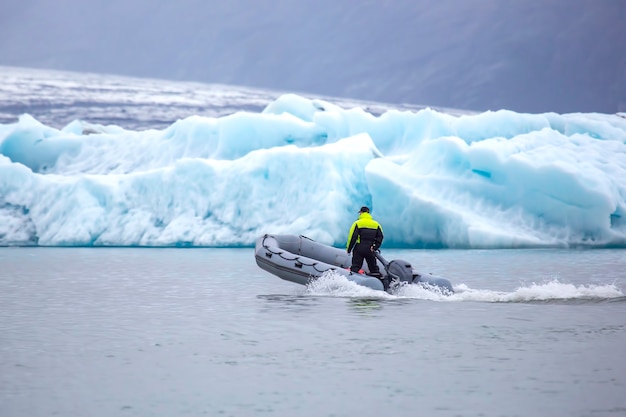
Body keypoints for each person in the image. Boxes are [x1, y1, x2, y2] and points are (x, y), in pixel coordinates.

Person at [346, 206, 384, 277]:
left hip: (359, 248)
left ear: (361, 213)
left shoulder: (357, 223)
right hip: (370, 249)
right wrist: (375, 247)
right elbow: (380, 237)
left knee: (356, 266)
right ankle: (377, 281)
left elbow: (352, 238)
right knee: (373, 267)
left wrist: (349, 249)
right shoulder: (376, 224)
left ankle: (354, 281)